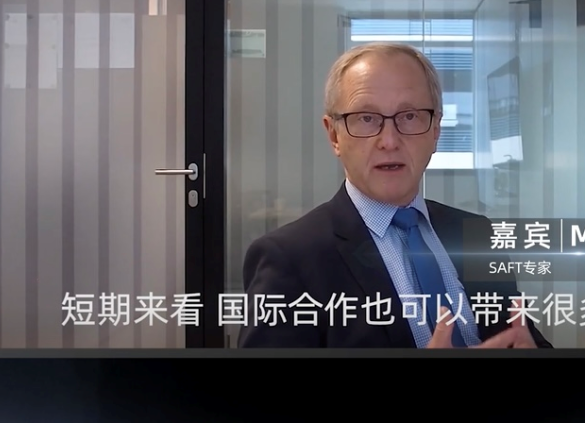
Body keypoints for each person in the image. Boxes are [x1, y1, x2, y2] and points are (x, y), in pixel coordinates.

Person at [237, 42, 552, 349]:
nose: (389, 141)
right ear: (334, 135)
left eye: (410, 116)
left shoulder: (476, 233)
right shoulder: (290, 258)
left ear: (436, 130)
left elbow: (523, 337)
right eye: (366, 118)